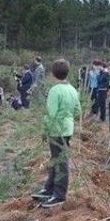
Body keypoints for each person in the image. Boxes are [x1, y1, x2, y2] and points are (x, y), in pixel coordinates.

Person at [30, 59, 81, 208]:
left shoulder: (54, 90)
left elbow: (50, 114)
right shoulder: (72, 89)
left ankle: (59, 195)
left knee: (60, 162)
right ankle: (49, 188)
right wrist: (67, 116)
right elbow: (78, 110)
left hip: (56, 130)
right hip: (67, 129)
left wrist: (45, 131)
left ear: (52, 74)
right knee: (56, 159)